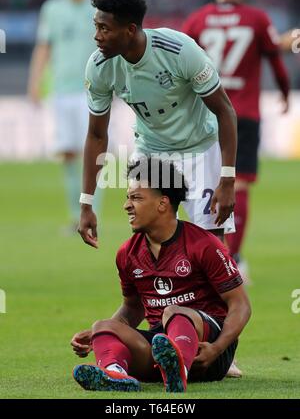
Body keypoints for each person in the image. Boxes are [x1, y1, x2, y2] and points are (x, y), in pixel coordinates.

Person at [78, 0, 238, 250]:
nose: (97, 36)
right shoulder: (99, 67)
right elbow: (96, 135)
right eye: (96, 27)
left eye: (104, 29)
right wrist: (86, 204)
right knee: (151, 242)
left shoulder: (179, 50)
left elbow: (224, 111)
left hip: (200, 150)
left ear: (130, 30)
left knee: (212, 248)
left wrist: (228, 179)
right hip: (150, 153)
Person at [71, 158, 251, 392]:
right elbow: (132, 308)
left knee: (174, 313)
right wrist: (97, 335)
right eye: (128, 197)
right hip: (161, 344)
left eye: (135, 198)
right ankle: (116, 374)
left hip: (209, 351)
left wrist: (217, 349)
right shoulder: (128, 253)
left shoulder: (204, 244)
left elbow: (241, 305)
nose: (126, 205)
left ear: (163, 203)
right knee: (103, 327)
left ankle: (180, 368)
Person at [182, 0, 290, 281]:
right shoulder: (258, 19)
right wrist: (285, 92)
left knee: (204, 183)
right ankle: (233, 259)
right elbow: (275, 61)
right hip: (243, 112)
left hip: (205, 113)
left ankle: (198, 259)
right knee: (238, 182)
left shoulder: (198, 20)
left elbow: (180, 61)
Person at [27, 0, 99, 231]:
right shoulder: (52, 8)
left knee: (93, 154)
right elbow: (44, 47)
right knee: (68, 153)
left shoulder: (100, 7)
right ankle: (75, 214)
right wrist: (34, 82)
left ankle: (93, 212)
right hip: (61, 90)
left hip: (93, 92)